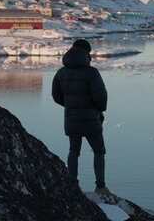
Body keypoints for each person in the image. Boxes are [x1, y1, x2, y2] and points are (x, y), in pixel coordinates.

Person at [52, 39, 111, 195]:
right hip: (92, 118)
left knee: (73, 151)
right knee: (99, 151)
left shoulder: (61, 72)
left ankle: (73, 185)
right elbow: (101, 96)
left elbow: (56, 96)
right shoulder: (91, 73)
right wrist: (100, 110)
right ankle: (100, 186)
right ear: (86, 53)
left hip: (71, 118)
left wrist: (70, 105)